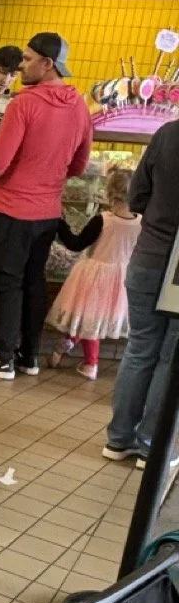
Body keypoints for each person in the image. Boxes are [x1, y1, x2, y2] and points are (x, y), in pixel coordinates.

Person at [0, 33, 93, 381]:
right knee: (33, 281)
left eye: (28, 59)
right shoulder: (79, 106)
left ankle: (1, 357)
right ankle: (28, 356)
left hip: (12, 210)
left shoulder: (24, 104)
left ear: (48, 64)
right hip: (48, 214)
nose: (21, 65)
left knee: (8, 283)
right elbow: (79, 165)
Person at [104, 119, 179, 468]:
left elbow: (137, 197)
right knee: (171, 355)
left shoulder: (168, 133)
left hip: (148, 256)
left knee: (139, 347)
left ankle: (118, 439)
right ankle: (152, 446)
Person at [47, 167, 140, 380]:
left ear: (110, 191)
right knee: (97, 319)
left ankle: (90, 362)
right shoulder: (141, 223)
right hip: (122, 278)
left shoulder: (102, 220)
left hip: (94, 276)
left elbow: (75, 244)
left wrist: (59, 222)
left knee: (89, 317)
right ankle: (70, 344)